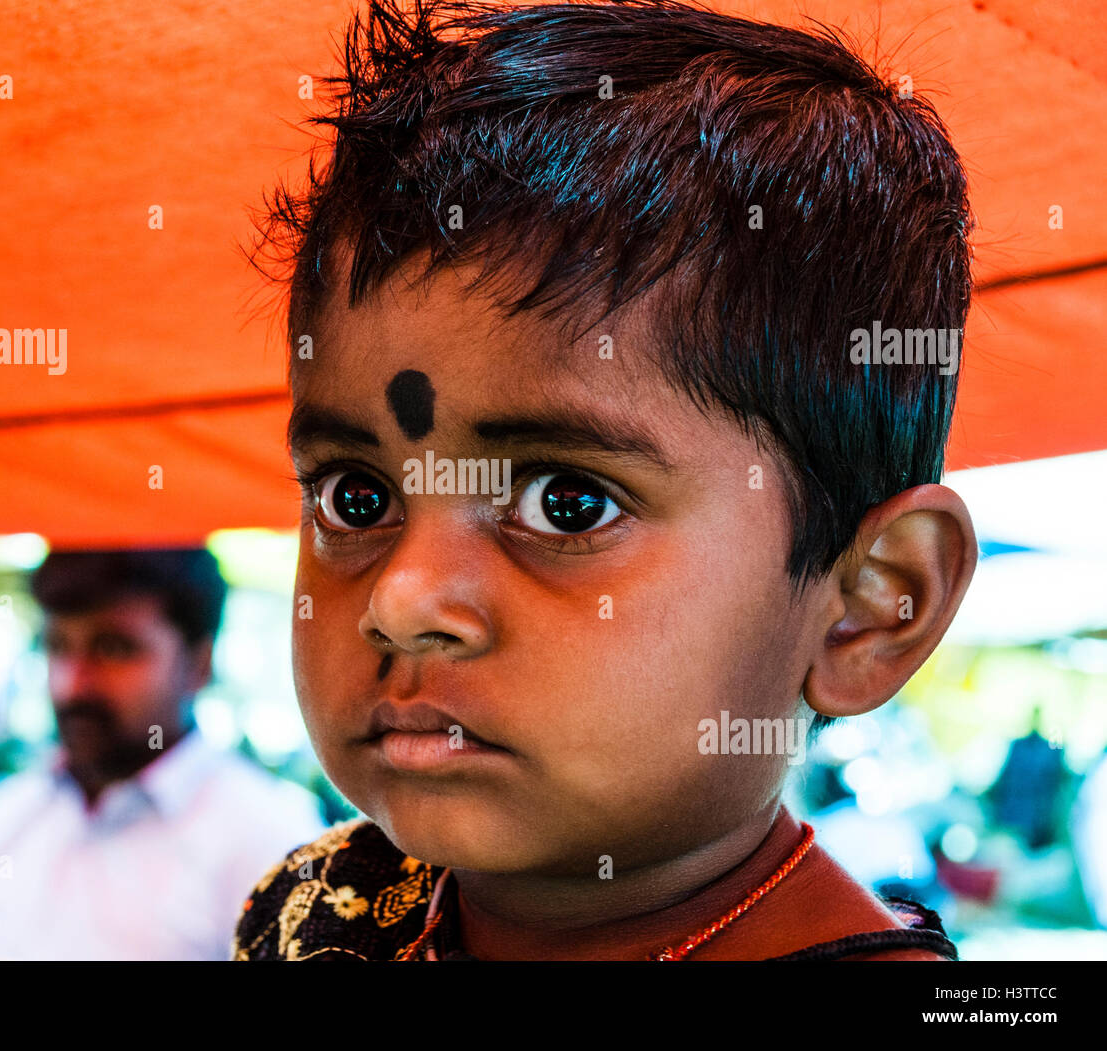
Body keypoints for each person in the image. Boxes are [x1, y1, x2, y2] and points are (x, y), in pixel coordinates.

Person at [233, 0, 977, 960]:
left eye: (567, 503)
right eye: (356, 498)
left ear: (873, 606)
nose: (404, 599)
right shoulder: (317, 911)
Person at [0, 548, 325, 959]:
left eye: (113, 648)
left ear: (198, 664)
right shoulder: (7, 813)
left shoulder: (268, 841)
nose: (71, 685)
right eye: (57, 645)